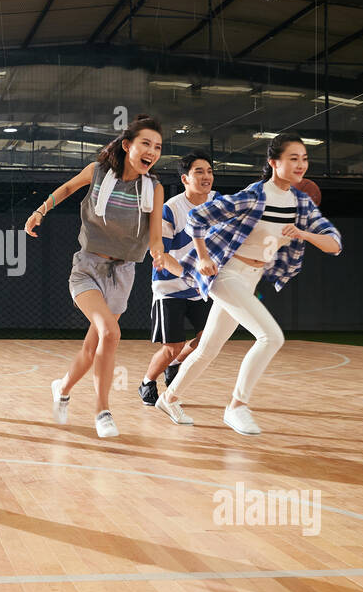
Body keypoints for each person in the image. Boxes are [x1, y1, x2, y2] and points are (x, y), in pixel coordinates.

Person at [155, 134, 342, 435]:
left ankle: (169, 397)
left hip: (251, 277)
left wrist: (305, 234)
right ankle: (237, 406)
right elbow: (196, 218)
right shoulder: (255, 195)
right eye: (292, 158)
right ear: (273, 162)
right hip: (227, 272)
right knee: (271, 337)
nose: (300, 164)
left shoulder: (301, 204)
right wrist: (203, 257)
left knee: (207, 349)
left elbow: (334, 244)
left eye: (304, 158)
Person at [25, 114, 176, 438]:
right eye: (145, 143)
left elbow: (154, 238)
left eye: (158, 147)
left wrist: (160, 253)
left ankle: (62, 388)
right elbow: (67, 188)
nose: (152, 151)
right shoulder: (98, 174)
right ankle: (102, 411)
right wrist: (40, 211)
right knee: (110, 332)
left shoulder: (154, 188)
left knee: (91, 349)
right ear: (127, 145)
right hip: (87, 268)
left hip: (123, 274)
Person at [139, 152, 215, 408]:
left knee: (208, 338)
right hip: (169, 286)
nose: (206, 176)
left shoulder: (218, 204)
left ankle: (175, 364)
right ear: (185, 178)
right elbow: (160, 254)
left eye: (209, 171)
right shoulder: (171, 209)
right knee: (173, 345)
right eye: (199, 172)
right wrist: (188, 272)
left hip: (199, 287)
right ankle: (147, 382)